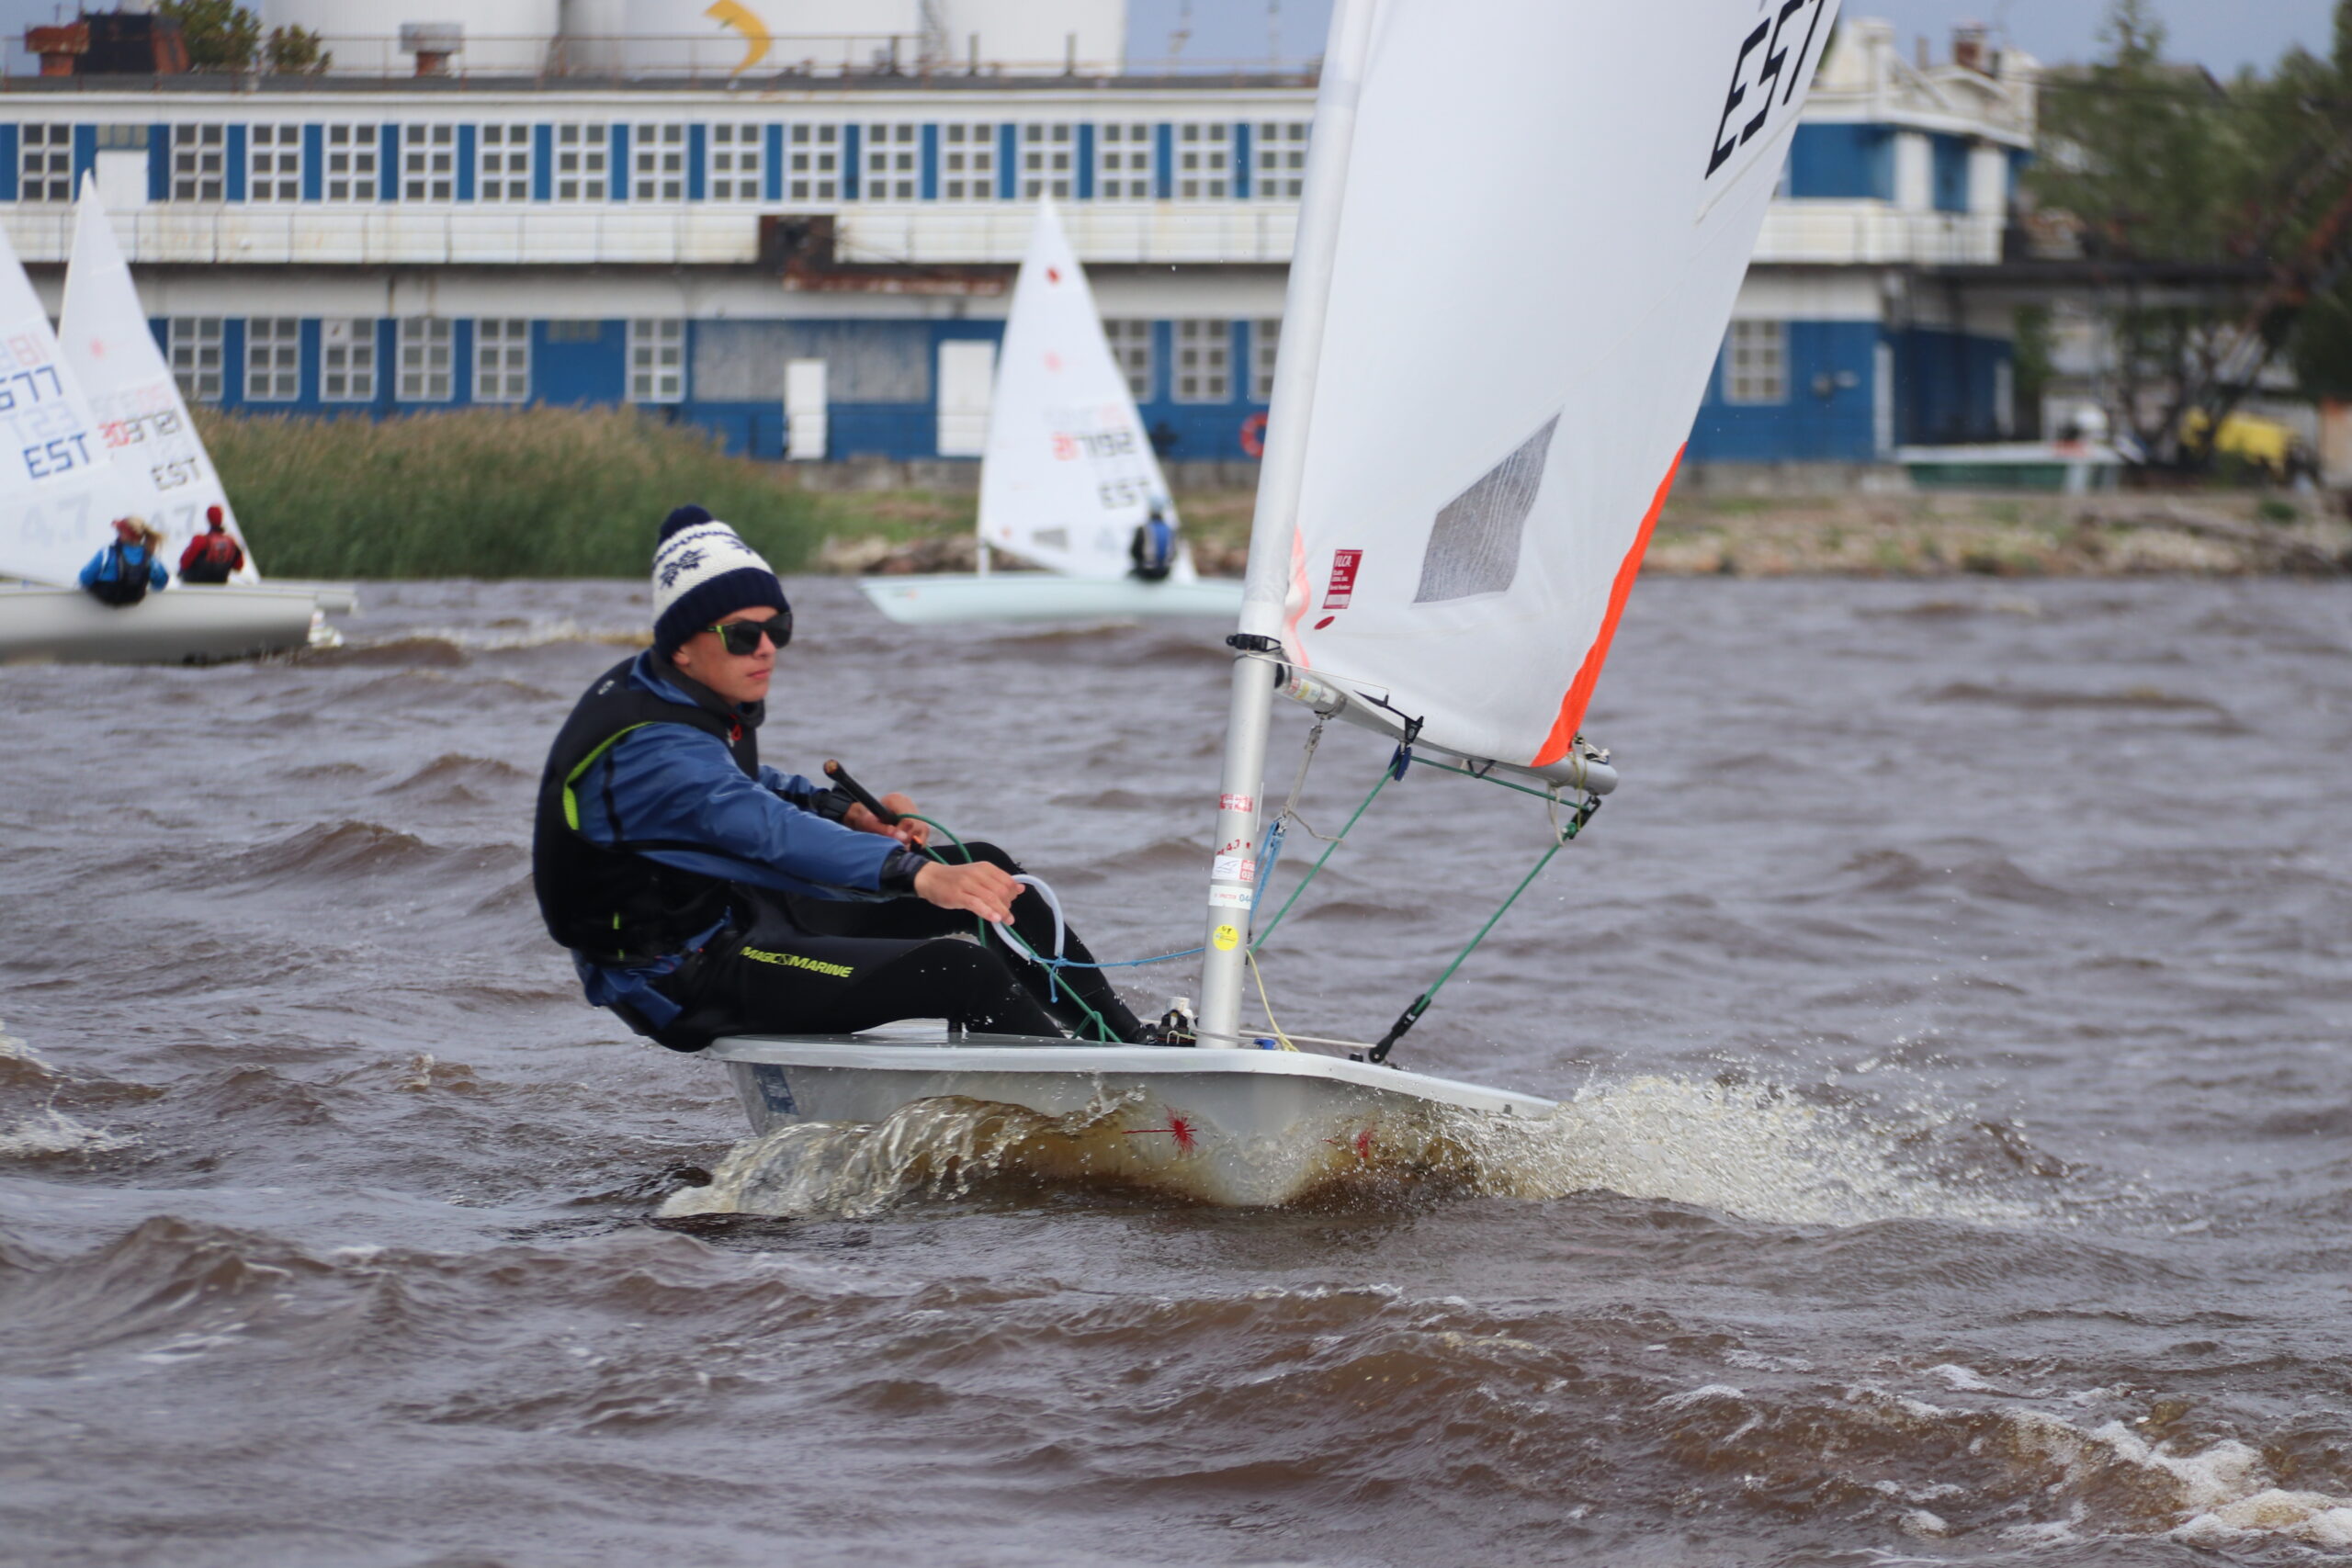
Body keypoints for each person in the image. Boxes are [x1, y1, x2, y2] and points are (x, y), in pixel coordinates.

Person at [533, 504, 1151, 1054]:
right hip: (680, 976)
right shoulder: (653, 751)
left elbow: (750, 782)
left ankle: (1128, 1045)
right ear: (681, 646)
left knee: (992, 880)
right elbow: (763, 828)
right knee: (960, 970)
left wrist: (846, 812)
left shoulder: (675, 690)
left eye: (778, 628)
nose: (767, 648)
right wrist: (915, 871)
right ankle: (1087, 1116)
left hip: (737, 909)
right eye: (743, 635)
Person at [79, 518, 168, 607]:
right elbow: (160, 584)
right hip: (135, 600)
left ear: (127, 535)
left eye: (120, 532)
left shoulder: (107, 552)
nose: (118, 534)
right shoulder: (150, 557)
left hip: (108, 600)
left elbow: (84, 579)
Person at [178, 506, 245, 584]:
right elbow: (239, 566)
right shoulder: (231, 542)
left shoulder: (200, 541)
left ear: (208, 519)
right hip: (220, 583)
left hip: (197, 585)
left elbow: (184, 563)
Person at [1128, 504, 1176, 582]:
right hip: (1165, 572)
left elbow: (1134, 552)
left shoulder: (1143, 529)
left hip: (1146, 571)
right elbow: (1174, 554)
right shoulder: (1170, 530)